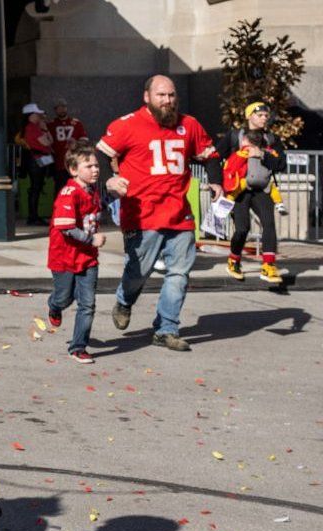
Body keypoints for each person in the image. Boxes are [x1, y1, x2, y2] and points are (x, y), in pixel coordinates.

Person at [96, 75, 224, 352]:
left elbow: (211, 156)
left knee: (179, 273)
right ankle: (124, 300)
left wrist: (216, 182)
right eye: (161, 95)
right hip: (142, 214)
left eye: (171, 95)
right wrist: (109, 179)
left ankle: (166, 328)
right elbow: (100, 154)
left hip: (180, 214)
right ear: (147, 97)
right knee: (138, 271)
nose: (168, 101)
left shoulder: (190, 124)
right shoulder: (127, 124)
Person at [47, 142, 105, 364]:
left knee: (87, 304)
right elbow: (67, 228)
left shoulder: (93, 192)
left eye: (96, 165)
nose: (95, 170)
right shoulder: (69, 193)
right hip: (64, 258)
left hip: (88, 258)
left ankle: (78, 347)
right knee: (64, 298)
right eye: (88, 166)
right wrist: (92, 239)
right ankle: (54, 305)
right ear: (73, 170)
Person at [221, 129, 285, 283]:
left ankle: (268, 265)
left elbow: (280, 164)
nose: (264, 118)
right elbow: (221, 161)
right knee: (242, 229)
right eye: (260, 116)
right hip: (240, 191)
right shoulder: (235, 136)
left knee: (269, 224)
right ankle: (234, 260)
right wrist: (219, 187)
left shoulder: (270, 140)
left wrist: (262, 154)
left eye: (265, 116)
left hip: (261, 190)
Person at [20, 102, 54, 225]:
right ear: (31, 115)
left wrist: (44, 129)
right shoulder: (32, 127)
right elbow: (47, 142)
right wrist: (45, 129)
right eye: (37, 114)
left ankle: (34, 216)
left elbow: (50, 141)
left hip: (38, 159)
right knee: (36, 187)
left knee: (37, 187)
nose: (39, 117)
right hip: (36, 160)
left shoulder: (34, 127)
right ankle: (33, 217)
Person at [47, 98, 89, 193]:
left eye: (63, 107)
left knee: (76, 187)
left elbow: (85, 140)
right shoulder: (51, 124)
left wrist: (76, 143)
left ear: (66, 108)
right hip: (58, 162)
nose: (61, 109)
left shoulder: (76, 123)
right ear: (55, 110)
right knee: (60, 188)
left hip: (74, 161)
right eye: (59, 108)